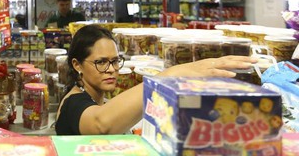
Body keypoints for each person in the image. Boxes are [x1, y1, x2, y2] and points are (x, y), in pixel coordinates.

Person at [55, 24, 257, 135]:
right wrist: (170, 75)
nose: (111, 70)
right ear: (77, 65)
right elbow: (101, 124)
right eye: (101, 62)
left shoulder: (97, 100)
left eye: (115, 61)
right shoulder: (73, 104)